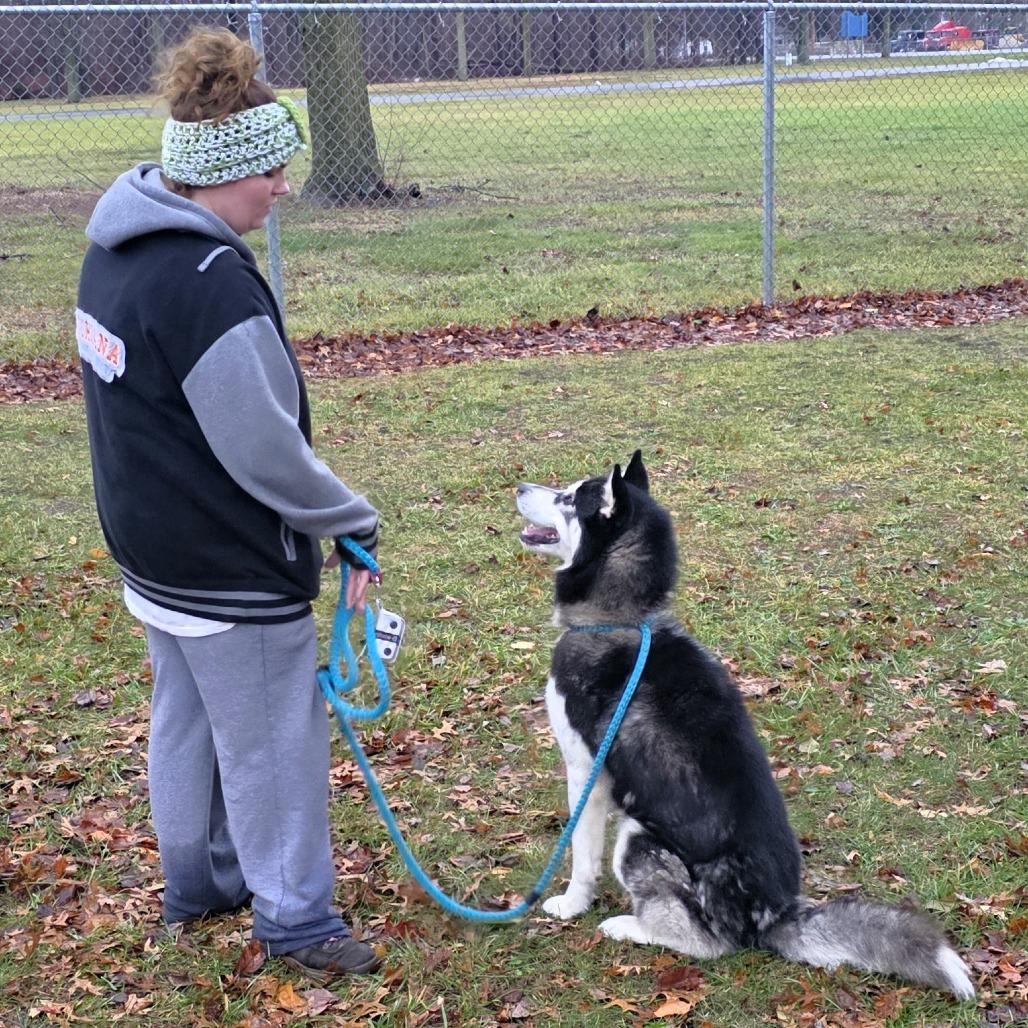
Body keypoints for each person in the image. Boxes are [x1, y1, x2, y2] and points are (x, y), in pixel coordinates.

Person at [76, 27, 382, 980]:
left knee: (189, 720)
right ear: (226, 177)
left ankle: (201, 881)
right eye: (273, 174)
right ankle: (296, 919)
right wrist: (351, 522)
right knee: (274, 747)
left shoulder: (116, 247)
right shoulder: (209, 287)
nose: (283, 188)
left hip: (151, 552)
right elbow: (262, 449)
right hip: (224, 566)